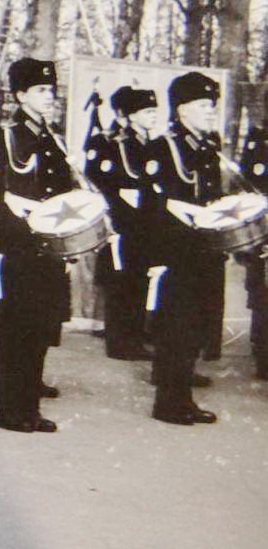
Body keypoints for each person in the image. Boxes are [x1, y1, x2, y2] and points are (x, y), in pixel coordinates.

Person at [0, 58, 75, 434]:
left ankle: (28, 406)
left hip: (48, 247)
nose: (50, 97)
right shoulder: (4, 137)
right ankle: (10, 410)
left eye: (52, 91)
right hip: (17, 247)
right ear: (20, 95)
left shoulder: (52, 137)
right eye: (42, 91)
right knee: (16, 331)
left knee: (40, 329)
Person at [143, 72, 225, 425]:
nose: (211, 112)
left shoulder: (207, 147)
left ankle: (182, 398)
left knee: (196, 328)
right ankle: (169, 404)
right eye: (204, 106)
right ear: (182, 109)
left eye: (213, 106)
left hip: (205, 250)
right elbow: (156, 204)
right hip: (178, 253)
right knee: (178, 328)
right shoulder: (164, 147)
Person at [85, 86, 159, 362]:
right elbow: (99, 180)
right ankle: (120, 342)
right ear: (131, 115)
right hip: (122, 225)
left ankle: (134, 337)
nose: (153, 116)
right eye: (147, 112)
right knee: (122, 283)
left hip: (143, 225)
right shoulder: (115, 144)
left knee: (138, 282)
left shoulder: (149, 144)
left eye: (155, 111)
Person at [241, 114, 268, 380]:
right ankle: (263, 355)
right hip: (265, 227)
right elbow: (250, 185)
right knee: (262, 293)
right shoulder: (260, 141)